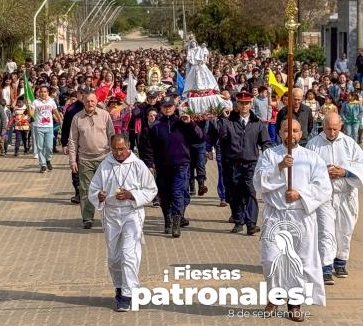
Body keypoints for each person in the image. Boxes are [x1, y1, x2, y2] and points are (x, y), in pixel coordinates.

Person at [254, 119, 333, 321]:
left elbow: (324, 187)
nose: (291, 134)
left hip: (301, 215)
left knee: (300, 260)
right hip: (276, 214)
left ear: (301, 133)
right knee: (271, 259)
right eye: (287, 130)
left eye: (295, 130)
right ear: (280, 132)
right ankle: (274, 297)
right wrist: (279, 167)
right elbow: (259, 182)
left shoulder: (311, 158)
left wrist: (301, 194)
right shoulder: (270, 155)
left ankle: (294, 303)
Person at [88, 135, 158, 312]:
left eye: (121, 149)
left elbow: (151, 189)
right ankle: (119, 287)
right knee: (114, 257)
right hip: (111, 214)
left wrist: (132, 195)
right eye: (115, 149)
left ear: (128, 146)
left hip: (131, 213)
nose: (118, 153)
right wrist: (99, 196)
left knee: (129, 254)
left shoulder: (138, 164)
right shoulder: (105, 164)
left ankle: (128, 294)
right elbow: (94, 189)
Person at [307, 113, 363, 284]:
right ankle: (325, 266)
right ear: (323, 127)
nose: (332, 132)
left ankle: (341, 261)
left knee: (344, 230)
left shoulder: (349, 144)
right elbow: (307, 168)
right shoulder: (314, 144)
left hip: (345, 195)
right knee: (326, 231)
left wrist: (345, 172)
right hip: (325, 196)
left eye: (335, 128)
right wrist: (323, 172)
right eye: (328, 128)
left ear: (340, 126)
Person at [207, 91, 272, 235]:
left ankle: (251, 224)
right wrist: (222, 117)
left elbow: (266, 142)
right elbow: (219, 134)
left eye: (246, 103)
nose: (244, 106)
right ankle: (238, 220)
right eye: (241, 103)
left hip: (251, 163)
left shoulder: (257, 122)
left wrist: (268, 157)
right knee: (234, 193)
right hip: (232, 163)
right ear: (236, 103)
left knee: (250, 192)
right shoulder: (228, 120)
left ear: (250, 104)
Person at [141, 95, 203, 238]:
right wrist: (150, 163)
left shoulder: (182, 123)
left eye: (170, 106)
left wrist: (191, 123)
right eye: (165, 106)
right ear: (161, 108)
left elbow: (199, 137)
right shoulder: (155, 126)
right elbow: (148, 147)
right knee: (165, 195)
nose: (168, 109)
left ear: (174, 107)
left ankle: (176, 222)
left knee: (177, 193)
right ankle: (167, 221)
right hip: (162, 166)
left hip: (181, 164)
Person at [68, 91, 115, 229]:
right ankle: (87, 218)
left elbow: (112, 135)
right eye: (87, 101)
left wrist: (114, 157)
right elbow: (73, 140)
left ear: (97, 102)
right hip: (85, 159)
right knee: (86, 189)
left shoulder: (104, 115)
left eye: (92, 101)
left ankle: (108, 216)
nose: (90, 104)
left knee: (107, 189)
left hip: (104, 158)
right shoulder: (77, 118)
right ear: (83, 102)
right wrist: (72, 160)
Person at [29, 85, 63, 172]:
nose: (43, 93)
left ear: (47, 93)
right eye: (41, 92)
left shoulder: (51, 101)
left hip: (49, 127)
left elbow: (55, 111)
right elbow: (31, 113)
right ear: (39, 93)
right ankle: (42, 164)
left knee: (49, 146)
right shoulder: (35, 102)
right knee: (40, 146)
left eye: (45, 92)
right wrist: (30, 112)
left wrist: (60, 120)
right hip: (38, 126)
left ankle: (48, 160)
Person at [61, 89, 86, 204]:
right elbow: (65, 127)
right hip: (75, 143)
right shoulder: (71, 109)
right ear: (78, 95)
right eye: (81, 94)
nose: (83, 97)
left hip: (90, 145)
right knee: (75, 168)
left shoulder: (95, 108)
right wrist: (64, 143)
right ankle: (78, 193)